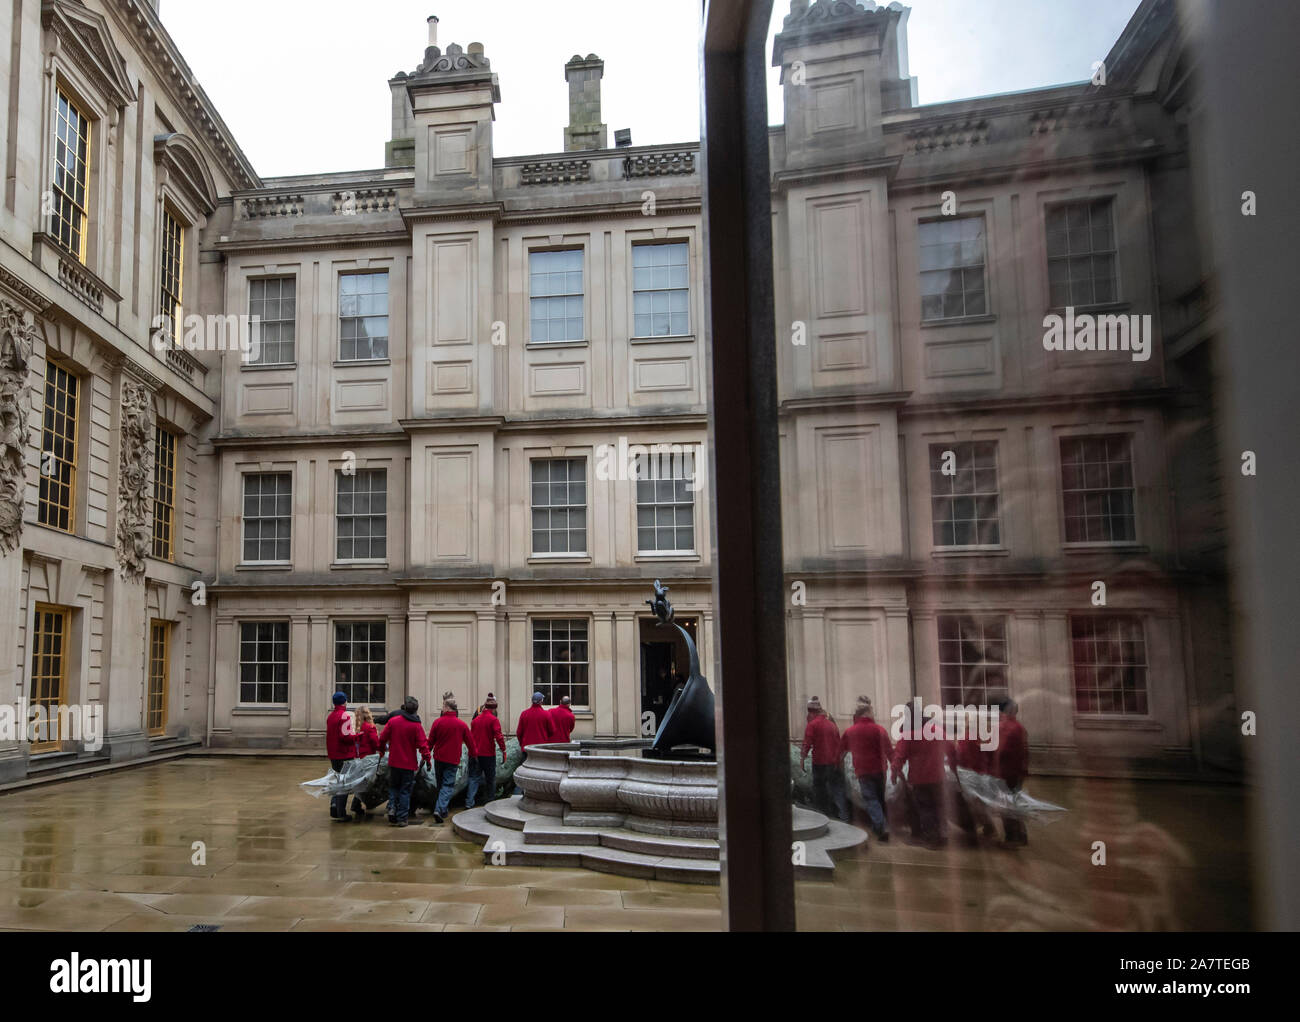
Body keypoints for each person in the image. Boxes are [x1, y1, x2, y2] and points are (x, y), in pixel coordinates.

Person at [890, 703, 957, 848]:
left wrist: (895, 773)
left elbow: (899, 756)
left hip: (919, 778)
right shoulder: (937, 730)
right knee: (939, 806)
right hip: (939, 776)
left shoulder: (908, 734)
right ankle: (943, 836)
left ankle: (932, 838)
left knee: (926, 808)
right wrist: (953, 767)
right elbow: (951, 749)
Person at [840, 695, 891, 841]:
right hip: (880, 769)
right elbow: (889, 751)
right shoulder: (880, 730)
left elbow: (841, 751)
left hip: (863, 770)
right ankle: (880, 826)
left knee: (871, 799)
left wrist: (837, 764)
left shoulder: (850, 731)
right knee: (880, 798)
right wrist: (896, 769)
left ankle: (881, 827)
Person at [377, 697, 430, 827]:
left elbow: (382, 738)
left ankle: (392, 809)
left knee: (394, 787)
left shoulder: (393, 722)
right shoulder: (417, 726)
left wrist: (382, 751)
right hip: (408, 764)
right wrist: (428, 759)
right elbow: (423, 745)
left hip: (394, 761)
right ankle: (402, 818)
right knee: (405, 790)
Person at [427, 692, 474, 824]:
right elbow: (471, 743)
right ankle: (440, 809)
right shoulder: (462, 725)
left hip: (439, 758)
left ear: (447, 708)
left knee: (441, 784)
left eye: (443, 706)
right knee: (447, 786)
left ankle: (442, 809)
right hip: (452, 759)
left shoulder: (437, 723)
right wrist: (474, 755)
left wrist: (426, 756)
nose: (441, 708)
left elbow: (430, 742)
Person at [800, 696, 848, 823]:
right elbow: (839, 745)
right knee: (837, 789)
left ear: (810, 712)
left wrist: (802, 759)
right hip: (833, 762)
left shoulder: (812, 725)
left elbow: (807, 743)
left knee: (820, 790)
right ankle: (843, 817)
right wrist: (839, 761)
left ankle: (823, 817)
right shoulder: (832, 725)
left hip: (820, 763)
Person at [995, 697, 1030, 847]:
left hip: (1004, 773)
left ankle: (1012, 838)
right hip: (1017, 772)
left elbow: (998, 752)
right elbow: (1026, 751)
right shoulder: (1020, 728)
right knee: (1014, 804)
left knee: (1006, 806)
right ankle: (1021, 835)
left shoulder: (1003, 728)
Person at [467, 693, 507, 809]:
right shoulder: (494, 720)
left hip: (475, 753)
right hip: (488, 753)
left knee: (473, 778)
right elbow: (499, 737)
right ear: (494, 708)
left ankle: (469, 802)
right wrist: (503, 750)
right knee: (490, 778)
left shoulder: (475, 721)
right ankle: (490, 801)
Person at [325, 692, 359, 822]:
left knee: (338, 779)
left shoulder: (331, 716)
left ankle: (334, 805)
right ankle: (341, 813)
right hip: (344, 754)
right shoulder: (344, 716)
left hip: (333, 754)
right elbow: (346, 737)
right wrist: (358, 736)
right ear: (344, 701)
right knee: (344, 783)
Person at [349, 705, 381, 820]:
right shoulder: (369, 727)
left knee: (361, 782)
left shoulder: (356, 727)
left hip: (357, 757)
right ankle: (357, 804)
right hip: (368, 758)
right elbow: (375, 743)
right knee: (366, 783)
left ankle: (358, 804)